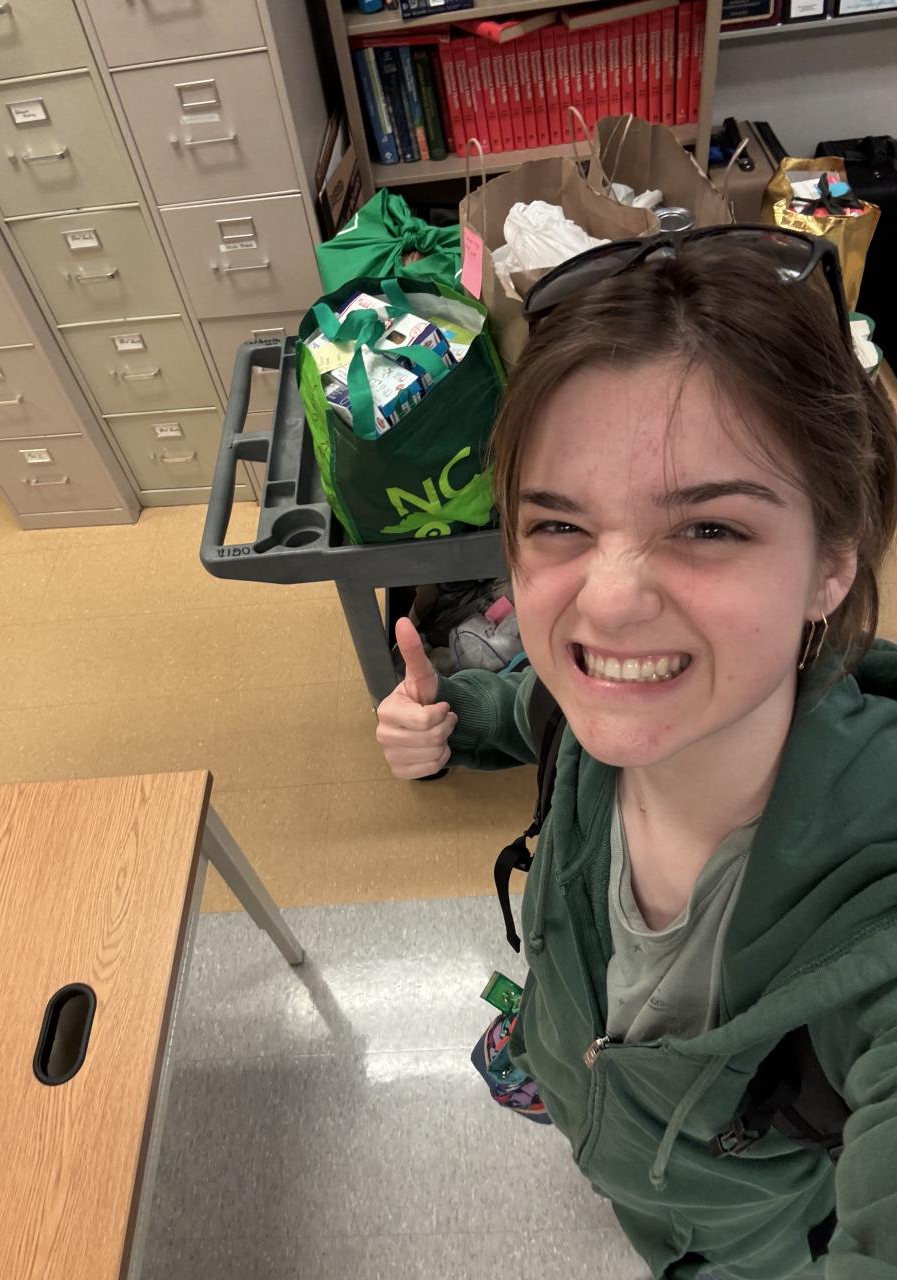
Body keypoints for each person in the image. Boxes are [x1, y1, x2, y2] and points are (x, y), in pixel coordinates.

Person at [374, 228, 897, 1280]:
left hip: (747, 1243)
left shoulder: (872, 908)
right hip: (610, 1126)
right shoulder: (585, 717)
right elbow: (525, 706)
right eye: (559, 526)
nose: (608, 604)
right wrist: (444, 721)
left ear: (831, 563)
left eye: (708, 529)